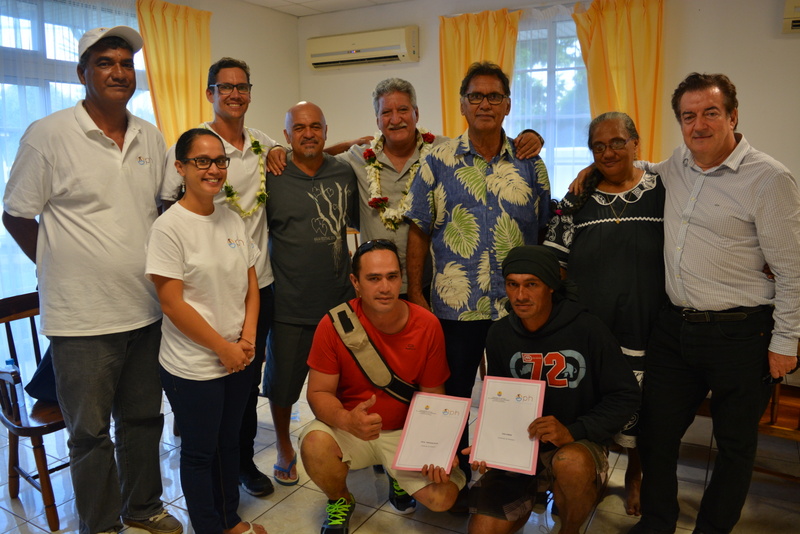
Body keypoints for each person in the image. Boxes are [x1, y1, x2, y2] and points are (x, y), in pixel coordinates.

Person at [2, 26, 181, 534]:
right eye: (105, 62)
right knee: (89, 434)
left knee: (144, 421)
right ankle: (101, 526)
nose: (119, 72)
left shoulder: (150, 135)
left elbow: (163, 209)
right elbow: (17, 214)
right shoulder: (49, 134)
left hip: (145, 309)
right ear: (83, 72)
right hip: (80, 318)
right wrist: (59, 267)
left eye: (126, 63)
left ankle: (143, 508)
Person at [627, 73, 800, 534]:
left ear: (732, 117)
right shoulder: (678, 164)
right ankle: (658, 523)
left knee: (734, 447)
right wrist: (594, 167)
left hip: (741, 334)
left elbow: (792, 269)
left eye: (710, 113)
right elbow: (637, 165)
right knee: (656, 434)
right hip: (674, 328)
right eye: (688, 116)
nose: (698, 124)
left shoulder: (769, 177)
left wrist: (785, 342)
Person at [404, 61, 551, 479]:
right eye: (475, 96)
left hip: (516, 307)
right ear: (463, 105)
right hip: (455, 305)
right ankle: (449, 474)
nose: (484, 104)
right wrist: (416, 295)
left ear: (507, 105)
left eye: (494, 96)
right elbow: (418, 229)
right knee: (453, 394)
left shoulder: (531, 164)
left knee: (514, 396)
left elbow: (541, 232)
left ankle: (510, 474)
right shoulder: (437, 160)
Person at [267, 77, 543, 297]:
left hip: (433, 283)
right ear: (377, 120)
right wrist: (279, 150)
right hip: (377, 285)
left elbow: (484, 144)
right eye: (386, 112)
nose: (395, 118)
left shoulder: (443, 152)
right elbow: (312, 154)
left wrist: (531, 137)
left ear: (416, 113)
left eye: (402, 110)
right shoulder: (358, 158)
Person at [160, 57, 279, 497]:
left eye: (242, 87)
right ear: (210, 92)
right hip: (207, 287)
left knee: (247, 383)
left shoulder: (262, 144)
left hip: (255, 283)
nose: (234, 94)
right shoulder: (199, 145)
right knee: (210, 384)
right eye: (224, 87)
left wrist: (354, 142)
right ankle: (209, 466)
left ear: (250, 92)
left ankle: (242, 461)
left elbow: (306, 148)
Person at [468, 245, 640, 534]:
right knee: (481, 531)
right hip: (520, 447)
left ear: (550, 287)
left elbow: (626, 395)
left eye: (531, 285)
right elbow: (498, 398)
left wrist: (574, 430)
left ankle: (569, 529)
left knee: (570, 463)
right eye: (512, 284)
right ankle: (532, 491)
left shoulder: (587, 329)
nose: (520, 296)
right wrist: (490, 444)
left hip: (576, 444)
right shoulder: (499, 334)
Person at [146, 128, 267, 534]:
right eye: (202, 161)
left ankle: (229, 518)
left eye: (220, 161)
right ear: (180, 167)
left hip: (238, 356)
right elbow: (172, 304)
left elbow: (251, 286)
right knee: (200, 452)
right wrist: (223, 347)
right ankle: (210, 527)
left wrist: (247, 339)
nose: (213, 169)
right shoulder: (169, 228)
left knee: (229, 443)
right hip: (193, 366)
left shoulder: (231, 217)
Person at [299, 239, 466, 533]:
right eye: (373, 279)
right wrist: (345, 419)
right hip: (351, 427)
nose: (385, 287)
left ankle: (397, 476)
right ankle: (339, 500)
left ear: (401, 278)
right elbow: (318, 393)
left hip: (405, 432)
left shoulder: (427, 325)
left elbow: (433, 397)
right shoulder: (334, 324)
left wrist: (436, 448)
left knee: (444, 498)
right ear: (356, 282)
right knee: (314, 444)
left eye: (391, 277)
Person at [544, 111, 665, 515]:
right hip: (591, 327)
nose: (608, 151)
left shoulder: (662, 190)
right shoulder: (577, 198)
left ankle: (634, 474)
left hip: (644, 323)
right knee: (590, 405)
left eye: (617, 142)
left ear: (636, 142)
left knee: (641, 408)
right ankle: (587, 476)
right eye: (598, 146)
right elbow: (554, 260)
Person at [264, 101, 358, 487]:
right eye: (299, 127)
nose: (308, 133)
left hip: (339, 302)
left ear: (325, 130)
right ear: (286, 136)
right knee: (283, 384)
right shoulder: (271, 174)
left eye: (315, 126)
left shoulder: (344, 172)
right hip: (288, 302)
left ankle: (346, 441)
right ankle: (285, 446)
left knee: (348, 382)